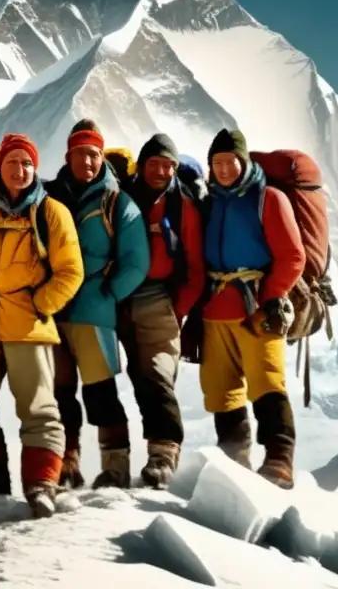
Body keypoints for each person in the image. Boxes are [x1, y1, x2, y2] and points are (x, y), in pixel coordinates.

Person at [0, 133, 84, 518]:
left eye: (26, 163)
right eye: (12, 163)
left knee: (38, 407)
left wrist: (41, 304)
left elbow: (71, 271)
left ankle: (41, 482)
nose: (20, 170)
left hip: (29, 324)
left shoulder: (51, 212)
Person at [44, 120, 150, 490]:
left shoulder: (117, 200)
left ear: (101, 156)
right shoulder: (49, 197)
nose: (87, 162)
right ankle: (65, 464)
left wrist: (108, 293)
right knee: (59, 392)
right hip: (53, 310)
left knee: (101, 391)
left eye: (94, 154)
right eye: (80, 154)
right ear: (68, 155)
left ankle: (116, 467)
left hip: (94, 309)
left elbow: (137, 260)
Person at [201, 128, 305, 489]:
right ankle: (234, 459)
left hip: (258, 309)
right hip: (215, 310)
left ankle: (279, 460)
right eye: (218, 162)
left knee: (267, 382)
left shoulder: (269, 198)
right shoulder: (210, 201)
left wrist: (267, 300)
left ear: (244, 162)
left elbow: (293, 257)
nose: (225, 169)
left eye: (231, 161)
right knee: (220, 389)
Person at [121, 133, 206, 489]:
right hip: (120, 294)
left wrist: (178, 308)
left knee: (157, 373)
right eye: (154, 163)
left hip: (159, 295)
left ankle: (165, 452)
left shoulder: (182, 205)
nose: (161, 171)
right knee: (138, 375)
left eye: (168, 165)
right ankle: (148, 452)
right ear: (141, 164)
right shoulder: (122, 196)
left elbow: (196, 266)